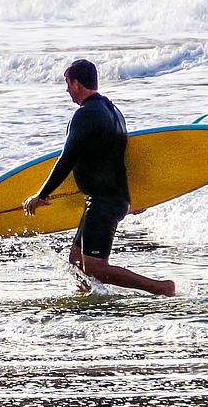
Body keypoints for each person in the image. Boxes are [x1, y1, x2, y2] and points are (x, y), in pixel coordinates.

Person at [23, 59, 176, 296]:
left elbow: (67, 158)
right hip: (108, 199)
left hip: (103, 201)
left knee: (97, 269)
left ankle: (161, 288)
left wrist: (41, 195)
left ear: (76, 83)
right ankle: (88, 299)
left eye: (67, 83)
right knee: (76, 261)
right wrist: (135, 198)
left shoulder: (86, 114)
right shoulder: (112, 111)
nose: (66, 90)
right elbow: (120, 160)